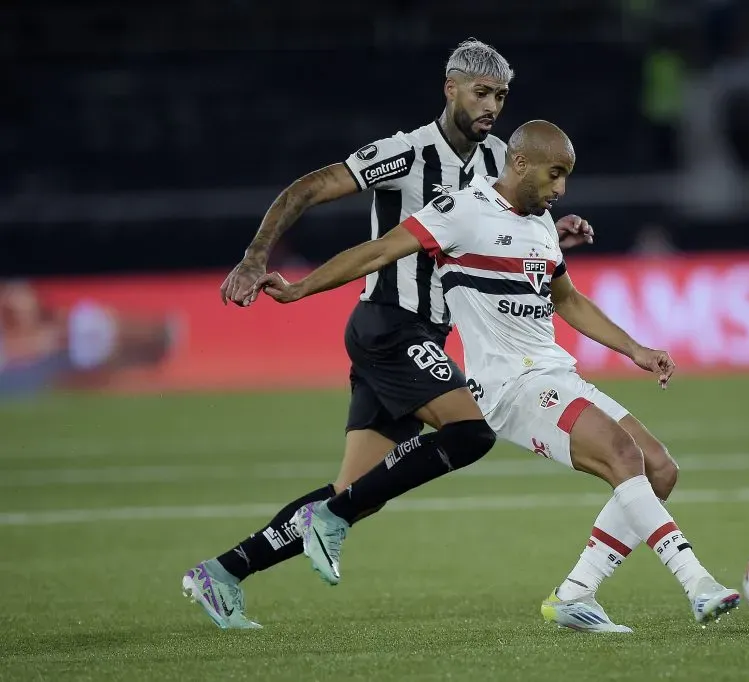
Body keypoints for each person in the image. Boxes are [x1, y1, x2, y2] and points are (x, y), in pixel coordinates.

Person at [256, 120, 741, 632]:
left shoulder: (541, 225)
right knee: (623, 456)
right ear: (521, 164)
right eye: (555, 174)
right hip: (511, 385)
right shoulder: (460, 211)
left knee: (660, 470)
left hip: (554, 372)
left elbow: (567, 300)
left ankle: (576, 595)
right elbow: (377, 251)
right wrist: (301, 288)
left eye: (567, 177)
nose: (561, 188)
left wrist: (635, 350)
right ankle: (699, 584)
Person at [181, 39, 594, 630]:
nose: (491, 106)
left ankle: (222, 573)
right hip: (390, 326)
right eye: (481, 93)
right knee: (471, 431)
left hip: (424, 334)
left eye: (501, 96)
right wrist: (255, 256)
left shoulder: (502, 158)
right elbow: (308, 189)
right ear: (451, 88)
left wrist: (555, 232)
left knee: (355, 492)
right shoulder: (405, 153)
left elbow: (513, 223)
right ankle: (323, 524)